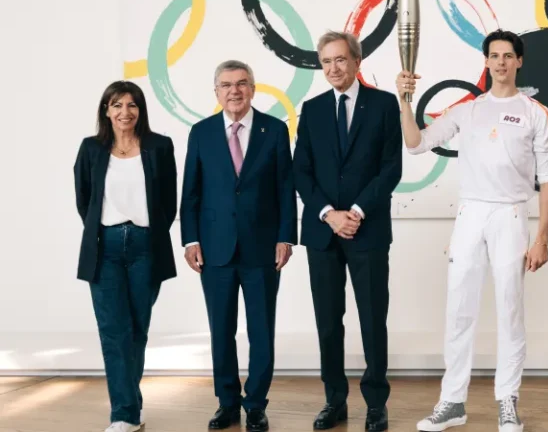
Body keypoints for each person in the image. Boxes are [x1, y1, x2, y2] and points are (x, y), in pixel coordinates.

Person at [398, 29, 548, 432]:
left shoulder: (534, 112)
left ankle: (508, 400)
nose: (501, 62)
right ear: (485, 61)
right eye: (494, 55)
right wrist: (404, 102)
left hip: (510, 216)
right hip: (470, 214)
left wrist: (542, 238)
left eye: (508, 55)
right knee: (459, 309)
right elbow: (416, 144)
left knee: (509, 308)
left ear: (519, 61)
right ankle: (452, 402)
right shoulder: (466, 111)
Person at [180, 60, 298, 432]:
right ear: (216, 92)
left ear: (253, 89)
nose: (235, 91)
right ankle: (228, 402)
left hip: (263, 248)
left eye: (242, 83)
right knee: (222, 330)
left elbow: (284, 189)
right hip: (214, 250)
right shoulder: (200, 133)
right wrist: (190, 239)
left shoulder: (275, 130)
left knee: (262, 329)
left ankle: (257, 404)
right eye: (227, 85)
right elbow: (191, 193)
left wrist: (285, 236)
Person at [292, 31, 401, 432]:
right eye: (326, 62)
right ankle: (334, 401)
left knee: (373, 319)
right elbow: (300, 169)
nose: (333, 68)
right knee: (327, 321)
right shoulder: (313, 108)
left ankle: (376, 404)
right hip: (323, 234)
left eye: (340, 60)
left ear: (357, 62)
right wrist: (328, 214)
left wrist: (355, 211)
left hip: (367, 230)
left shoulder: (385, 104)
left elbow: (391, 168)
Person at [73, 80, 178, 432]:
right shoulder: (91, 149)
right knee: (114, 331)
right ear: (106, 110)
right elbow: (84, 200)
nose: (124, 112)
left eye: (132, 105)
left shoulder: (159, 147)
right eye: (116, 105)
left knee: (137, 330)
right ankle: (124, 415)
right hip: (105, 247)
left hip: (146, 247)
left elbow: (168, 202)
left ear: (141, 110)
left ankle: (129, 406)